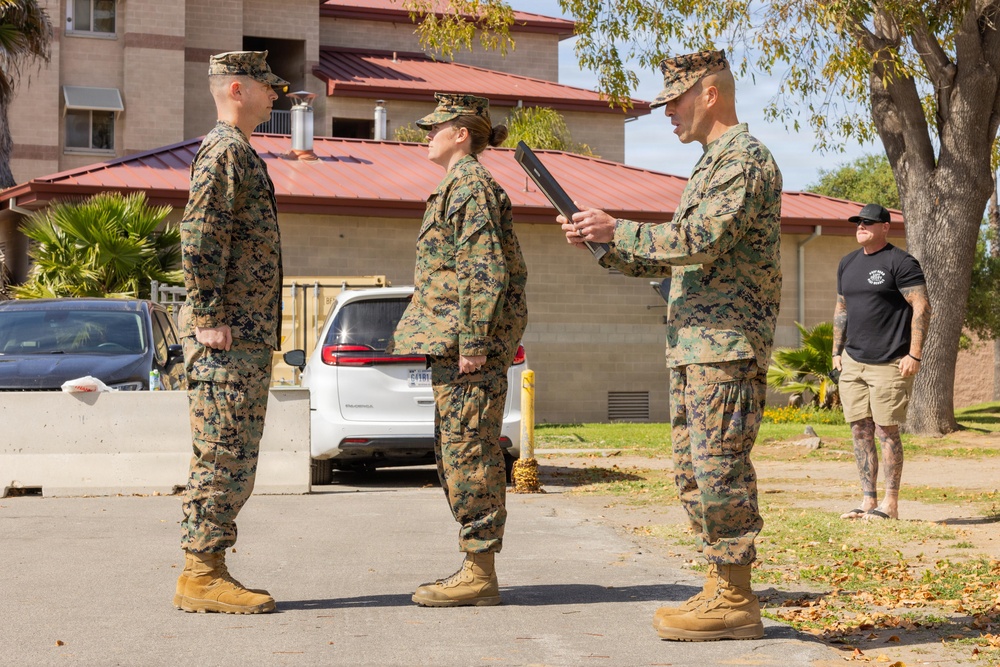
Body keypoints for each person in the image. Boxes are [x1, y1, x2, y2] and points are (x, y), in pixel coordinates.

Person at [558, 50, 781, 641]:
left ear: (710, 94)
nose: (667, 115)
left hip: (724, 345)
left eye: (674, 101)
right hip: (695, 345)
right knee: (691, 470)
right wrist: (601, 243)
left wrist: (620, 228)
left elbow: (701, 238)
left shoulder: (744, 159)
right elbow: (677, 256)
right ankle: (720, 582)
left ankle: (736, 598)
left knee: (718, 470)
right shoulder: (710, 166)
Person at [390, 93, 528, 607]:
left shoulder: (469, 185)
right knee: (458, 451)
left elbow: (483, 269)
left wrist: (473, 342)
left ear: (462, 133)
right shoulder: (457, 185)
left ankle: (479, 572)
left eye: (436, 128)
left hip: (468, 349)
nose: (427, 136)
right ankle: (476, 566)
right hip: (456, 347)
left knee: (470, 453)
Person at [172, 51, 288, 615]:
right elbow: (199, 237)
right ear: (238, 88)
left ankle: (206, 569)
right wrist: (208, 317)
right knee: (223, 456)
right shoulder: (224, 151)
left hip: (242, 336)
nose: (275, 98)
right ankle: (201, 574)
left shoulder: (237, 151)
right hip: (228, 338)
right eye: (268, 88)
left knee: (232, 455)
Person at [833, 203, 930, 522]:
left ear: (885, 227)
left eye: (868, 222)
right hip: (853, 361)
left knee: (886, 430)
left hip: (890, 362)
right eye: (858, 222)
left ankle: (890, 503)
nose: (861, 226)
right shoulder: (847, 263)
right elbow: (842, 309)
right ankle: (867, 500)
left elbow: (921, 306)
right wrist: (836, 352)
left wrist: (914, 354)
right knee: (860, 430)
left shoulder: (900, 262)